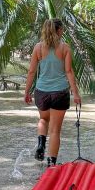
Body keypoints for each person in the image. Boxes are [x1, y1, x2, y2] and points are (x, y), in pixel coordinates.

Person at [24, 18, 81, 166]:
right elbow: (68, 71)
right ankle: (51, 164)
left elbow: (31, 72)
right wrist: (75, 93)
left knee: (43, 120)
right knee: (55, 131)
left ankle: (41, 143)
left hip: (41, 91)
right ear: (59, 30)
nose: (63, 31)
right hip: (60, 92)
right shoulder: (65, 48)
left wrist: (27, 92)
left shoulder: (38, 48)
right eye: (62, 29)